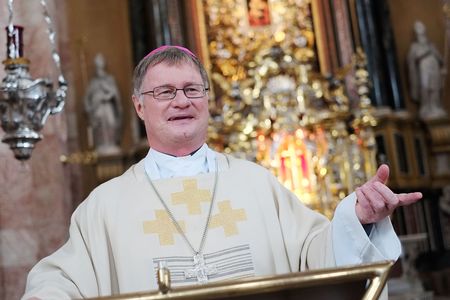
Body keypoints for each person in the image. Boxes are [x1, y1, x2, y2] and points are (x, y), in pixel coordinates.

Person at [22, 46, 422, 299]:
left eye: (193, 89)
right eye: (164, 92)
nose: (182, 101)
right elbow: (60, 280)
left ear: (207, 101)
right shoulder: (105, 205)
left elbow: (315, 254)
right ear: (139, 106)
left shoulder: (254, 182)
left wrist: (357, 218)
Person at [407, 20, 447, 120]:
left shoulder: (431, 45)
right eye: (418, 27)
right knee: (425, 87)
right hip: (423, 69)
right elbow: (411, 61)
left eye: (422, 27)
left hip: (434, 68)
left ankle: (435, 106)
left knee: (435, 87)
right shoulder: (414, 47)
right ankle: (426, 107)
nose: (421, 30)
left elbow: (440, 59)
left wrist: (443, 68)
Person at [84, 53, 123, 154]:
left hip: (108, 106)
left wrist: (108, 95)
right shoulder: (93, 83)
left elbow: (115, 94)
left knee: (111, 123)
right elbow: (86, 99)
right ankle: (102, 145)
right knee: (100, 126)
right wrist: (89, 107)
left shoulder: (109, 79)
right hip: (98, 108)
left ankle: (111, 143)